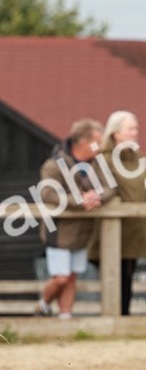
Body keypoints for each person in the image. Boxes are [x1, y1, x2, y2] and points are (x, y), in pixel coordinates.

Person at [35, 119, 114, 318]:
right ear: (83, 142)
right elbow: (48, 194)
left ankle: (65, 318)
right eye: (96, 141)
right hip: (59, 231)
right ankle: (43, 304)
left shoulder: (97, 163)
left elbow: (110, 188)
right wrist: (79, 200)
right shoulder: (54, 164)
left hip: (82, 232)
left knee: (71, 277)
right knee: (60, 278)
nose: (100, 146)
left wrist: (97, 197)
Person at [87, 112, 146, 315]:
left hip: (136, 230)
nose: (135, 133)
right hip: (113, 231)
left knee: (128, 276)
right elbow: (104, 190)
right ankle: (114, 319)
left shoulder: (140, 160)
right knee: (115, 276)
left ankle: (124, 319)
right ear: (115, 133)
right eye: (130, 129)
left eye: (136, 128)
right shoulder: (104, 160)